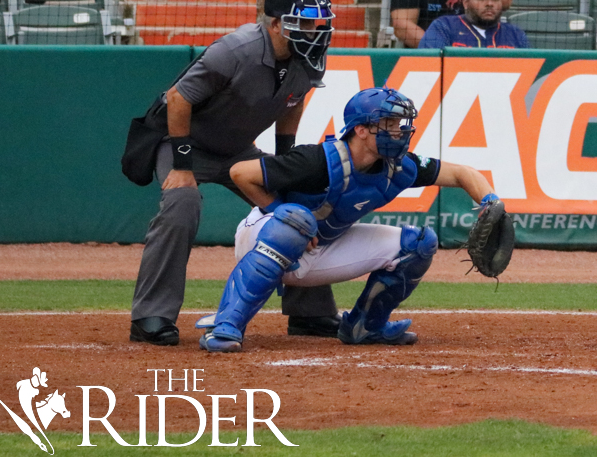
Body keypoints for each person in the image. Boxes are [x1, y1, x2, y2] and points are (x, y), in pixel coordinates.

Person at [198, 87, 499, 352]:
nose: (399, 131)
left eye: (400, 124)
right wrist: (277, 208)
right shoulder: (317, 161)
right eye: (389, 124)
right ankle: (227, 325)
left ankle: (365, 327)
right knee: (297, 220)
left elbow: (463, 173)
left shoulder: (400, 167)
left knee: (419, 243)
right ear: (361, 130)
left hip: (320, 248)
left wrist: (491, 203)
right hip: (265, 238)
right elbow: (240, 173)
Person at [129, 0, 338, 347]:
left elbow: (293, 102)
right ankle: (151, 315)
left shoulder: (309, 58)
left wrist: (285, 162)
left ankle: (310, 313)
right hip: (182, 143)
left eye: (318, 25)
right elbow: (178, 99)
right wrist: (182, 166)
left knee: (295, 207)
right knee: (182, 204)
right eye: (303, 24)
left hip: (238, 149)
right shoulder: (235, 50)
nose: (314, 33)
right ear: (275, 24)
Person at [418, 0, 529, 49]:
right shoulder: (444, 27)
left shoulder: (515, 34)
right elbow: (427, 69)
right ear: (465, 2)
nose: (489, 3)